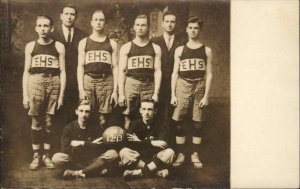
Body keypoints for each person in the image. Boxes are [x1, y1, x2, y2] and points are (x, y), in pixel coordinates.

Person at [22, 15, 66, 170]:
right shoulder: (30, 46)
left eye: (46, 26)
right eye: (39, 26)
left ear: (51, 28)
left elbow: (63, 72)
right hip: (35, 82)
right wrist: (25, 95)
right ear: (35, 28)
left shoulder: (59, 46)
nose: (42, 29)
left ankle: (46, 155)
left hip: (54, 82)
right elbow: (26, 72)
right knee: (36, 122)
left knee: (49, 122)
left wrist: (61, 95)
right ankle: (36, 155)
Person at [171, 16, 213, 169]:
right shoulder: (180, 50)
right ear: (186, 29)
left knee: (197, 122)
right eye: (190, 27)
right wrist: (173, 94)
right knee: (179, 121)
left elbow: (209, 74)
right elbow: (175, 73)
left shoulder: (206, 50)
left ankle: (195, 154)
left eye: (196, 28)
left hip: (199, 85)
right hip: (183, 84)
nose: (193, 30)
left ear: (199, 30)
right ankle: (181, 153)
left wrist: (206, 96)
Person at [51, 100, 118, 179]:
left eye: (87, 111)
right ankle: (93, 171)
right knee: (56, 158)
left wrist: (83, 143)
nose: (84, 114)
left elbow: (101, 147)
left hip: (92, 160)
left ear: (90, 113)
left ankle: (79, 173)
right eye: (81, 111)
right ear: (76, 112)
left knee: (113, 153)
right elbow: (64, 149)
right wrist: (91, 144)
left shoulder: (95, 127)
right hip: (75, 161)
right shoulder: (69, 128)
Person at [118, 14, 162, 130]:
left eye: (143, 25)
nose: (140, 27)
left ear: (148, 27)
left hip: (148, 84)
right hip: (131, 83)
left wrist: (156, 92)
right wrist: (121, 93)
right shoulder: (127, 47)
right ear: (134, 27)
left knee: (148, 116)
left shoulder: (155, 48)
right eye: (138, 25)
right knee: (128, 115)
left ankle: (145, 144)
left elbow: (157, 71)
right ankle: (128, 143)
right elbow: (121, 71)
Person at [77, 10, 118, 130]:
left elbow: (115, 67)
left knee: (103, 118)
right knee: (86, 114)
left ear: (105, 22)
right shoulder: (84, 42)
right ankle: (89, 145)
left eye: (101, 20)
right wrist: (81, 89)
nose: (98, 22)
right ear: (91, 22)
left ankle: (102, 146)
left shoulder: (112, 43)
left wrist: (115, 90)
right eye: (96, 20)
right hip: (88, 80)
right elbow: (80, 66)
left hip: (106, 81)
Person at [151, 10, 185, 143]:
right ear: (162, 23)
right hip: (159, 83)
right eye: (167, 21)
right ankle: (157, 144)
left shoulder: (183, 41)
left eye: (172, 22)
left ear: (175, 24)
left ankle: (172, 146)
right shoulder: (154, 41)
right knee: (158, 113)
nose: (170, 24)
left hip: (177, 83)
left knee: (174, 115)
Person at [119, 99, 175, 178]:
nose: (146, 112)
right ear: (140, 111)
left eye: (150, 109)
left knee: (170, 152)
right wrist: (152, 143)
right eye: (144, 109)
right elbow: (129, 143)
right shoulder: (134, 124)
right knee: (123, 152)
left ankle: (138, 172)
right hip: (140, 159)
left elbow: (163, 144)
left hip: (155, 158)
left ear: (155, 111)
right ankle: (155, 172)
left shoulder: (161, 125)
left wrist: (139, 141)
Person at [52, 4, 87, 123]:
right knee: (56, 111)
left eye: (72, 14)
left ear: (76, 17)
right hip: (57, 78)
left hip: (75, 79)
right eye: (66, 14)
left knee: (74, 110)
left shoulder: (83, 36)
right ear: (61, 16)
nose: (69, 17)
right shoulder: (52, 35)